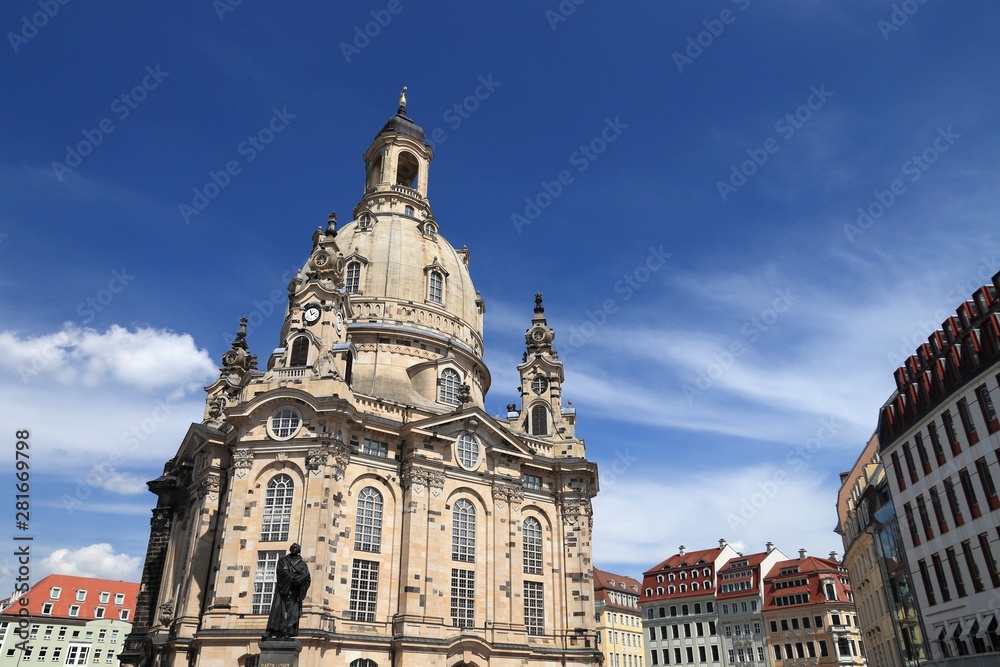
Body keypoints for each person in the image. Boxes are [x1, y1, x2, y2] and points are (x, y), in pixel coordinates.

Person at [264, 543, 311, 639]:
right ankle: (272, 629)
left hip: (295, 591)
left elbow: (307, 577)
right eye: (293, 548)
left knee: (292, 611)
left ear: (299, 551)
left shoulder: (302, 564)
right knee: (277, 609)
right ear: (290, 549)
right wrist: (295, 578)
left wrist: (300, 581)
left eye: (296, 548)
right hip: (283, 588)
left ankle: (288, 630)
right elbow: (282, 572)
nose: (294, 549)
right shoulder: (283, 560)